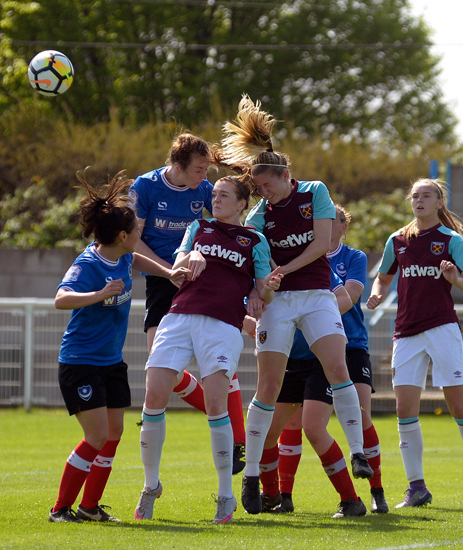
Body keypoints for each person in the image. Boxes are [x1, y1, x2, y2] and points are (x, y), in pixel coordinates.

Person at [221, 95, 371, 516]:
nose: (263, 193)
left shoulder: (314, 193)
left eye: (266, 185)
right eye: (258, 188)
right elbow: (252, 257)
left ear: (286, 175)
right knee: (267, 386)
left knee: (338, 368)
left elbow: (322, 245)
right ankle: (251, 478)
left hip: (317, 296)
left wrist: (280, 269)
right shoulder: (258, 216)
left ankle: (358, 452)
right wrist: (259, 287)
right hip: (281, 303)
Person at [134, 173, 282, 523]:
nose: (216, 199)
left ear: (243, 203)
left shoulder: (254, 239)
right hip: (180, 315)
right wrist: (191, 258)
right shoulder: (198, 227)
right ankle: (150, 485)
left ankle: (224, 495)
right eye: (214, 194)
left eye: (225, 195)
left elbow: (263, 290)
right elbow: (180, 261)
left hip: (222, 324)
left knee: (217, 404)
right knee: (154, 395)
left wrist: (267, 292)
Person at [49, 169, 188, 524]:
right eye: (137, 232)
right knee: (96, 435)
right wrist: (99, 295)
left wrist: (166, 270)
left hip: (111, 362)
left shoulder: (124, 255)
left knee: (113, 433)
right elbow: (61, 300)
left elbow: (138, 260)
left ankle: (90, 507)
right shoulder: (89, 263)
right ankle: (60, 509)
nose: (142, 235)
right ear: (123, 235)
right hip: (81, 362)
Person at [366, 178, 463, 509]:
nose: (419, 200)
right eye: (415, 195)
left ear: (440, 202)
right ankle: (417, 488)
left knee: (458, 406)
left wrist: (455, 278)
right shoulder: (397, 240)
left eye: (427, 195)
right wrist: (376, 293)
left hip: (442, 330)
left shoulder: (451, 240)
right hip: (406, 332)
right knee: (404, 410)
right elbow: (382, 277)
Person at [259, 204, 388, 517]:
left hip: (347, 345)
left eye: (335, 221)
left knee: (356, 414)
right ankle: (281, 495)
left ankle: (375, 490)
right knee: (288, 424)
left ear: (343, 227)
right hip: (296, 351)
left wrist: (307, 313)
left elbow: (348, 298)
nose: (327, 226)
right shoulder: (292, 259)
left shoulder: (351, 258)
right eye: (323, 220)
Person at [129, 133, 247, 471]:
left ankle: (235, 438)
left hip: (204, 280)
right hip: (163, 278)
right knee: (159, 364)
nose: (204, 179)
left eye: (208, 170)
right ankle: (219, 415)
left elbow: (233, 214)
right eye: (199, 170)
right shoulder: (146, 187)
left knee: (221, 362)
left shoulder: (204, 189)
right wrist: (169, 272)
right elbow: (133, 242)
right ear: (177, 166)